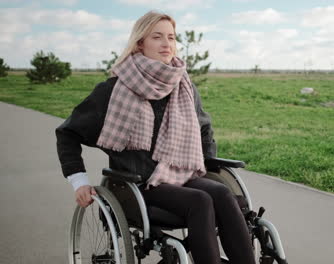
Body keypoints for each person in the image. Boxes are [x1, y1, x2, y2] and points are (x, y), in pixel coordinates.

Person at [56, 10, 255, 264]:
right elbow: (67, 133)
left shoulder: (182, 85)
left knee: (222, 193)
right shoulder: (114, 89)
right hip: (137, 184)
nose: (166, 44)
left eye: (171, 38)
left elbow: (204, 128)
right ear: (140, 43)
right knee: (201, 200)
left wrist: (207, 165)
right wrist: (79, 181)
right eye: (157, 37)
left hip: (179, 175)